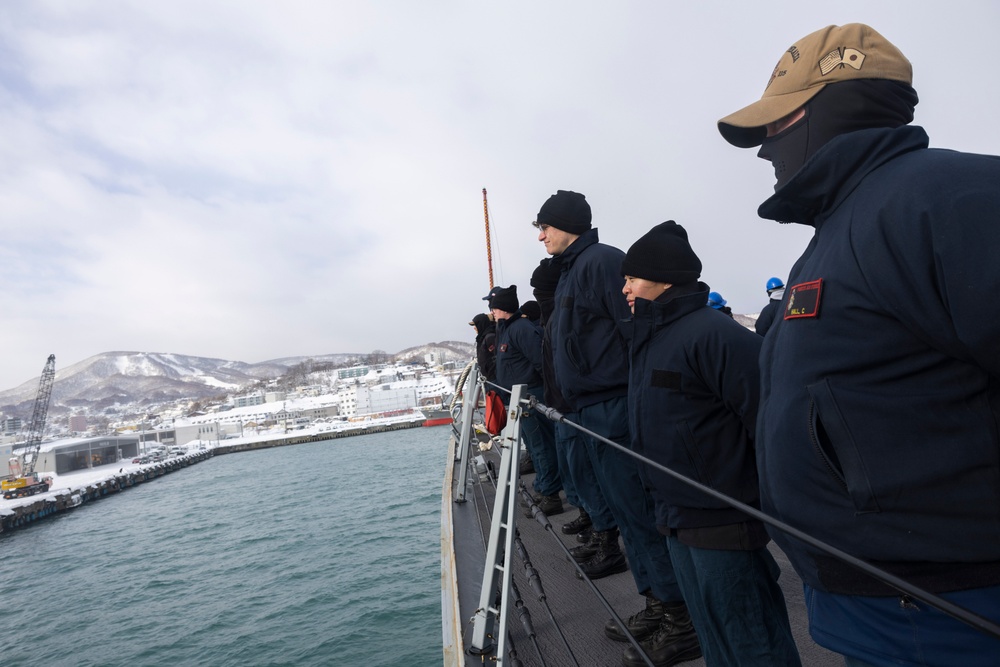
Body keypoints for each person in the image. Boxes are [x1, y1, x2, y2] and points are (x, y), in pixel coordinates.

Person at [718, 23, 1000, 666]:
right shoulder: (845, 228)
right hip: (878, 605)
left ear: (830, 111)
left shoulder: (949, 200)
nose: (764, 151)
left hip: (950, 610)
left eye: (774, 125)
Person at [622, 220, 800, 666]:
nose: (623, 287)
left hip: (722, 520)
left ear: (663, 279)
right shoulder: (652, 338)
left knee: (752, 640)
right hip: (675, 516)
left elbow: (770, 419)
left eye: (631, 277)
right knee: (713, 637)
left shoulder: (715, 335)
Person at [535, 190, 698, 666]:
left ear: (568, 224)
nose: (540, 235)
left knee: (642, 511)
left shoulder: (603, 263)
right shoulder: (570, 273)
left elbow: (635, 332)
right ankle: (658, 601)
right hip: (588, 410)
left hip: (614, 406)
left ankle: (681, 618)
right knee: (626, 512)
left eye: (544, 225)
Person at [530, 257, 618, 559]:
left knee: (590, 475)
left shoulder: (561, 318)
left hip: (574, 407)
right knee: (579, 473)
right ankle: (597, 527)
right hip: (563, 407)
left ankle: (605, 537)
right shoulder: (552, 318)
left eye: (539, 290)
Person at [489, 285, 564, 516]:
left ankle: (549, 494)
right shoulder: (508, 328)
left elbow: (540, 361)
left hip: (531, 396)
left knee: (541, 445)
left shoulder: (521, 329)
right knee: (534, 445)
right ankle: (545, 486)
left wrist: (550, 393)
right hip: (518, 399)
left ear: (500, 308)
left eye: (493, 307)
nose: (491, 311)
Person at [469, 313, 497, 383]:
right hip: (487, 379)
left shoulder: (490, 338)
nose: (474, 328)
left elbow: (496, 358)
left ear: (482, 324)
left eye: (476, 325)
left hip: (493, 379)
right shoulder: (482, 338)